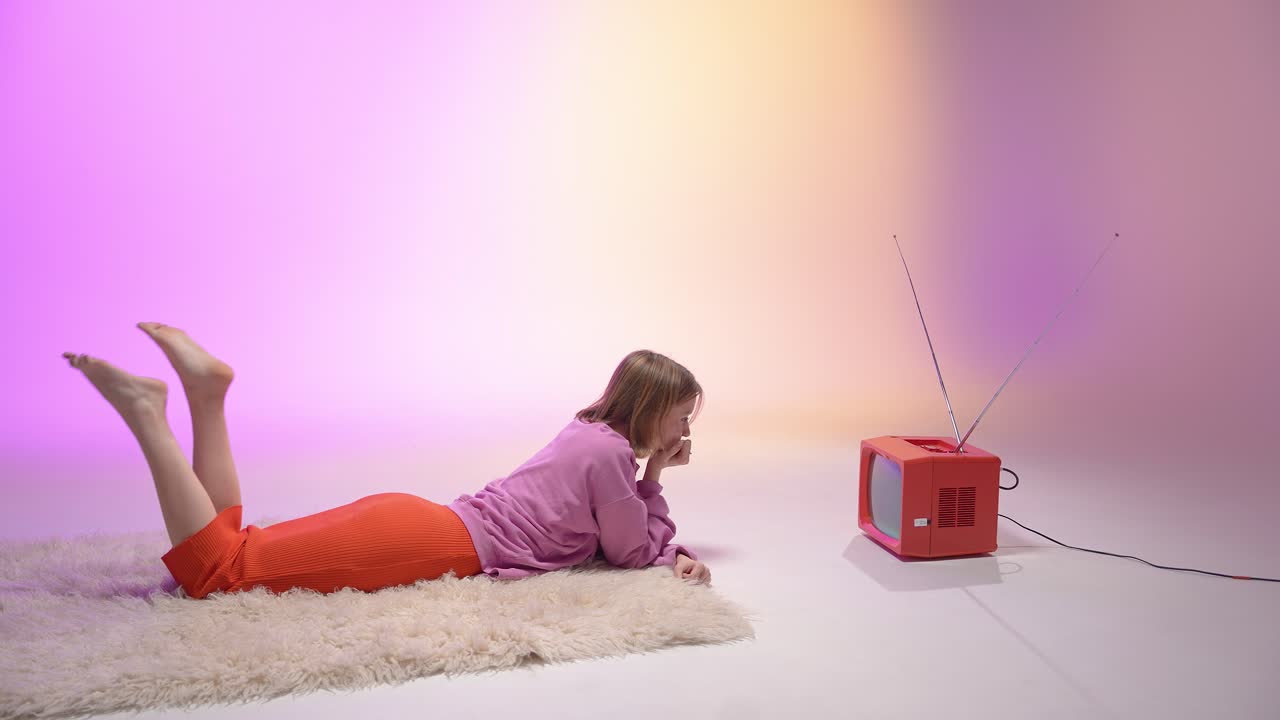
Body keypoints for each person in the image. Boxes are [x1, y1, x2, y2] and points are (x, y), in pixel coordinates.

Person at [62, 323, 711, 599]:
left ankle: (207, 396)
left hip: (419, 519)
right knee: (217, 576)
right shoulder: (611, 459)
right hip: (428, 542)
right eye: (682, 416)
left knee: (237, 548)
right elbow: (629, 553)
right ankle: (149, 415)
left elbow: (625, 539)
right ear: (651, 410)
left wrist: (648, 487)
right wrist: (655, 475)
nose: (686, 429)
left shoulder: (587, 432)